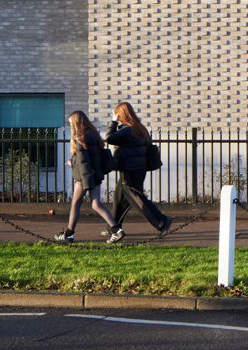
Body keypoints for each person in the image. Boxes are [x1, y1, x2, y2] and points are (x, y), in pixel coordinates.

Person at [105, 101, 172, 239]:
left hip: (130, 169)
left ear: (121, 115)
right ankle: (113, 227)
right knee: (119, 199)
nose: (116, 117)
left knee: (137, 199)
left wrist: (113, 122)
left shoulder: (127, 130)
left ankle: (162, 222)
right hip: (138, 168)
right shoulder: (139, 128)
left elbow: (109, 138)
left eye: (117, 115)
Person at [54, 110, 121, 244]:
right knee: (96, 204)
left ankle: (68, 235)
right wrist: (72, 161)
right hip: (95, 174)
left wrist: (86, 182)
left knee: (75, 204)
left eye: (71, 122)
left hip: (84, 178)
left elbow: (84, 163)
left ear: (76, 122)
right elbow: (88, 158)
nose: (70, 124)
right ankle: (117, 231)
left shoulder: (79, 138)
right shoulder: (94, 135)